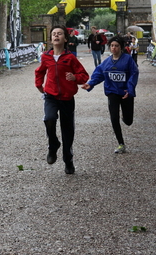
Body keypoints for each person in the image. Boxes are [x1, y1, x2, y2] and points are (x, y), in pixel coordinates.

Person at [35, 25, 89, 174]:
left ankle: (68, 160)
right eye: (54, 34)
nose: (56, 36)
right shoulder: (46, 56)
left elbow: (84, 75)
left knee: (68, 131)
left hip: (67, 98)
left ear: (65, 39)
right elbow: (39, 71)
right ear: (51, 39)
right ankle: (53, 145)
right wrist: (39, 85)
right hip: (51, 96)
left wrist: (75, 78)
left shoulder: (70, 57)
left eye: (60, 34)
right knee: (49, 119)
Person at [81, 36, 139, 154]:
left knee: (128, 121)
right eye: (112, 46)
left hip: (125, 93)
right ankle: (121, 143)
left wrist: (130, 89)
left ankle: (125, 116)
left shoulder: (127, 59)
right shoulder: (107, 62)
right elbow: (99, 74)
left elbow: (134, 73)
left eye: (116, 46)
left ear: (121, 47)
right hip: (112, 92)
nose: (114, 48)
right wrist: (90, 84)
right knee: (114, 118)